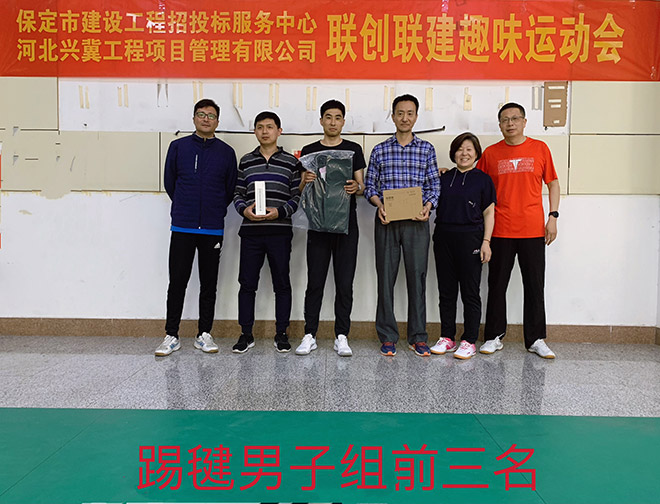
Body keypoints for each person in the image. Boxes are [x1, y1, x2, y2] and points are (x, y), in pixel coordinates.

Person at [155, 98, 238, 356]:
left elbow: (229, 189)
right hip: (183, 226)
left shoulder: (226, 153)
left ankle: (204, 334)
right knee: (177, 282)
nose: (206, 119)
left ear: (217, 122)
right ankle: (171, 334)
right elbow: (170, 183)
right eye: (201, 114)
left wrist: (214, 209)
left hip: (212, 228)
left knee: (208, 284)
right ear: (193, 118)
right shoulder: (178, 147)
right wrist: (185, 206)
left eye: (211, 116)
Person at [477, 102, 560, 359]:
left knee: (534, 286)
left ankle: (535, 339)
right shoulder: (490, 153)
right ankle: (494, 336)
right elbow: (477, 185)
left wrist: (553, 216)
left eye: (515, 118)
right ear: (500, 124)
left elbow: (553, 184)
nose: (510, 123)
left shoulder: (540, 148)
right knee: (496, 285)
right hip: (500, 230)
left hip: (532, 230)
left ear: (524, 122)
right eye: (505, 119)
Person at [364, 94, 440, 357]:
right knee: (385, 279)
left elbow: (434, 186)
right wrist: (379, 205)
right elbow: (370, 186)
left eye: (409, 113)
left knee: (417, 279)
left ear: (416, 117)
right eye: (400, 113)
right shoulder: (380, 150)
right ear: (393, 116)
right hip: (387, 221)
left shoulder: (427, 149)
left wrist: (428, 207)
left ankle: (418, 336)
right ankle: (387, 336)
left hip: (417, 223)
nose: (405, 118)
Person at [295, 100, 366, 357]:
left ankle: (341, 335)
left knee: (344, 282)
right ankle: (309, 334)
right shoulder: (310, 151)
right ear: (321, 120)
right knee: (315, 281)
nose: (333, 122)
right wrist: (305, 180)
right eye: (328, 117)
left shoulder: (353, 149)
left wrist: (356, 188)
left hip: (346, 224)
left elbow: (362, 187)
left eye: (337, 117)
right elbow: (300, 190)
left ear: (343, 121)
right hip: (318, 224)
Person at [232, 111, 301, 353]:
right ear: (254, 131)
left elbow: (297, 196)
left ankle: (281, 333)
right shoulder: (246, 161)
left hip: (279, 231)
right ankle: (246, 334)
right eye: (260, 127)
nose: (264, 131)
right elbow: (237, 193)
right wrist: (244, 210)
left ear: (279, 131)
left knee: (282, 284)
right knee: (247, 284)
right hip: (251, 232)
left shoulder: (291, 162)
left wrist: (280, 212)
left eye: (270, 127)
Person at [430, 133, 496, 360]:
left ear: (476, 153)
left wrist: (486, 242)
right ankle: (447, 337)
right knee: (446, 291)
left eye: (469, 149)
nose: (464, 153)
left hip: (471, 239)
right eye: (460, 149)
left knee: (470, 291)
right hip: (443, 237)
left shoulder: (483, 180)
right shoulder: (444, 178)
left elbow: (489, 213)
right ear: (453, 153)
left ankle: (469, 340)